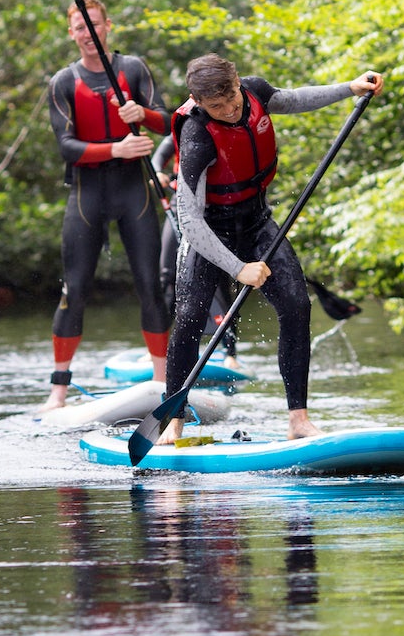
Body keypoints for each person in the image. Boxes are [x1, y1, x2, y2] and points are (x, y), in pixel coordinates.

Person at [159, 53, 383, 443]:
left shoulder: (255, 91)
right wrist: (237, 268)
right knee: (192, 316)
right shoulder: (196, 137)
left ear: (237, 83)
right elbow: (191, 223)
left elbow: (293, 99)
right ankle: (172, 420)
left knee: (297, 305)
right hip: (211, 233)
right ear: (198, 103)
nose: (229, 110)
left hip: (258, 223)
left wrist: (349, 88)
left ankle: (298, 418)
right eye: (216, 107)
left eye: (231, 98)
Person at [41, 0, 172, 412]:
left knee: (150, 287)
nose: (88, 34)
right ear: (72, 33)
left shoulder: (132, 69)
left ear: (107, 26)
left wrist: (143, 115)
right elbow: (66, 147)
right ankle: (58, 391)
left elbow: (169, 121)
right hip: (87, 196)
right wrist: (117, 148)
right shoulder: (63, 81)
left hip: (134, 192)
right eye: (80, 27)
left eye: (94, 25)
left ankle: (162, 381)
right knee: (74, 290)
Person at [152, 134, 241, 366]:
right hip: (180, 207)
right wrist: (158, 173)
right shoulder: (183, 128)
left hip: (216, 211)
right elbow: (157, 159)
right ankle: (159, 349)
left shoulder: (224, 129)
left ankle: (230, 352)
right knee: (167, 276)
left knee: (218, 278)